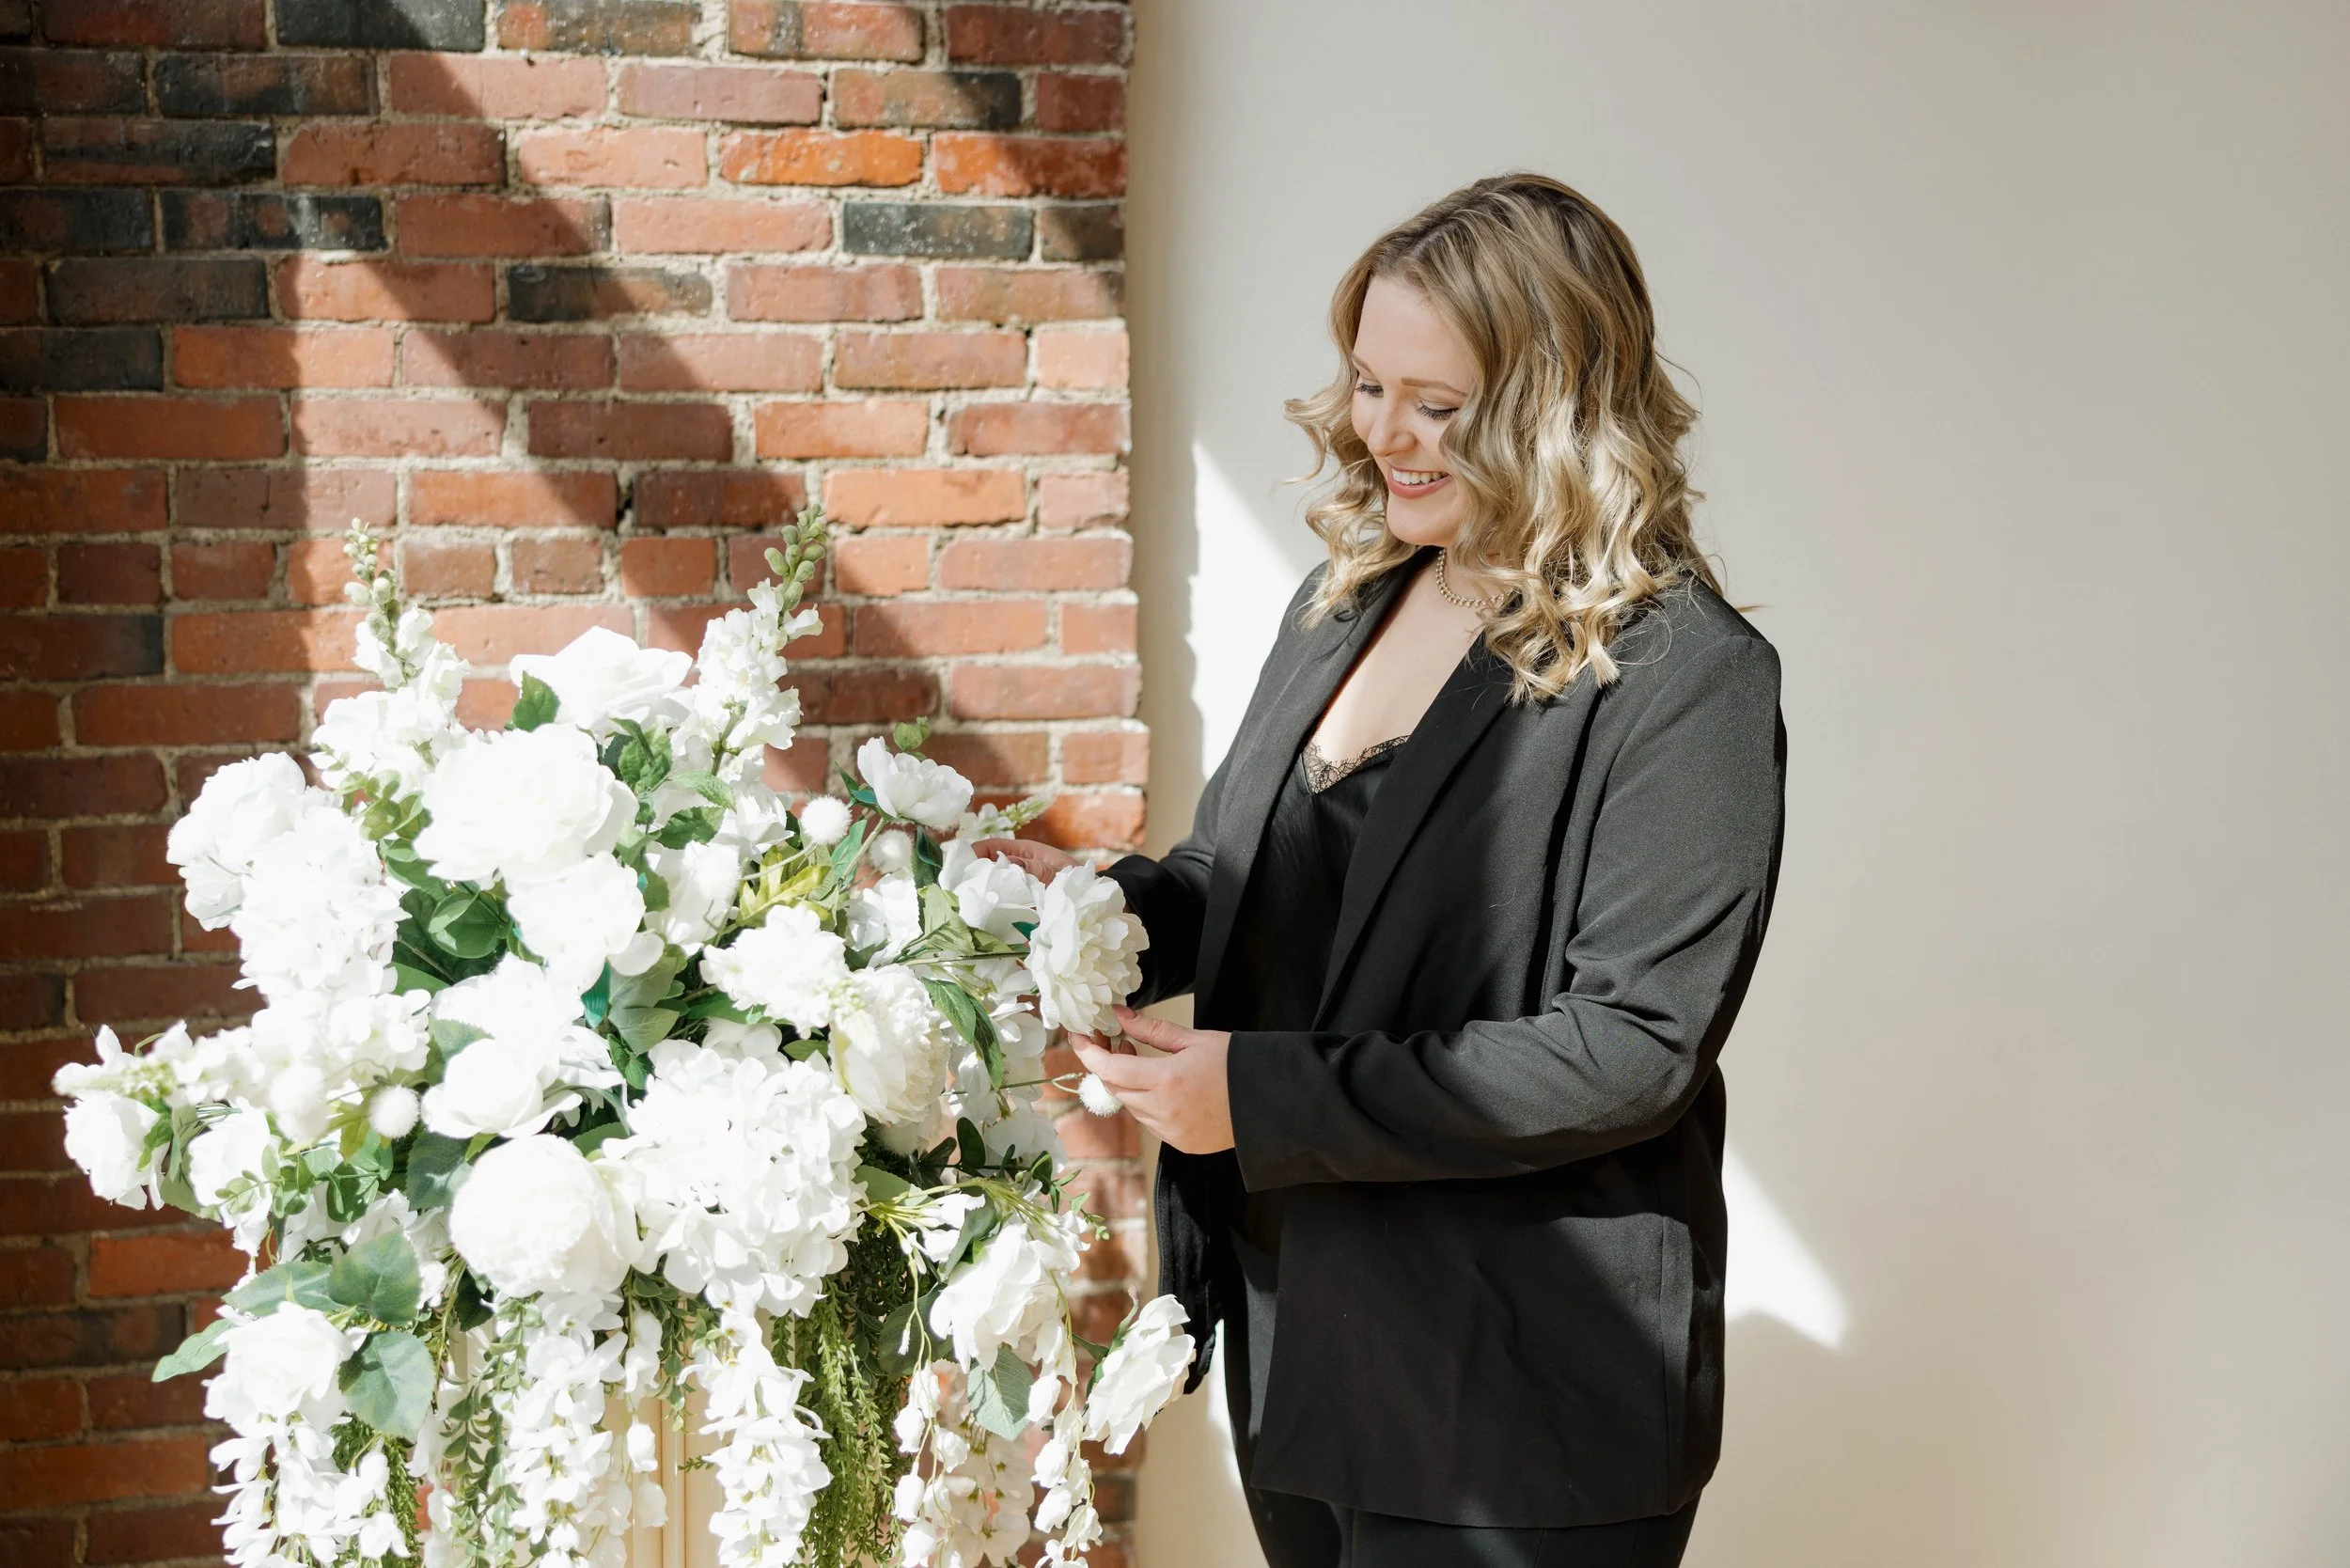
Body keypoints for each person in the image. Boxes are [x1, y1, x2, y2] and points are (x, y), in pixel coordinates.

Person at [981, 173, 1786, 1568]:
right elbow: (1236, 873)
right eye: (1368, 382)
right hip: (1306, 1337)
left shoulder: (1686, 672)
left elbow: (1630, 1048)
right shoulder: (1348, 595)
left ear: (1555, 404)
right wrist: (1074, 909)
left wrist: (1254, 1093)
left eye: (1440, 403)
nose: (1385, 435)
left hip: (1524, 1384)